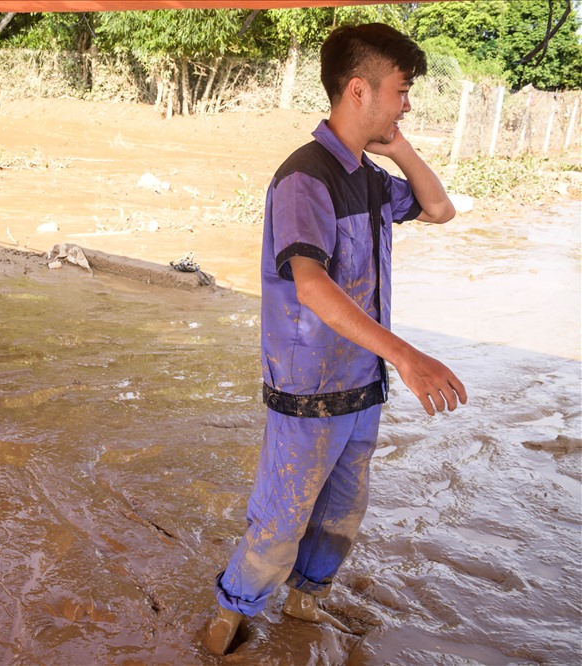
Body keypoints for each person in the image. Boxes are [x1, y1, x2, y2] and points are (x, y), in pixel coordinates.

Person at [204, 23, 467, 655]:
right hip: (308, 385)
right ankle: (230, 613)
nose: (407, 104)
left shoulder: (368, 176)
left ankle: (306, 599)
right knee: (283, 515)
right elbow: (312, 286)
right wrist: (407, 356)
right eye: (401, 91)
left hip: (361, 381)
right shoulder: (307, 177)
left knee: (343, 509)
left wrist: (400, 148)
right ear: (359, 90)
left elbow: (439, 209)